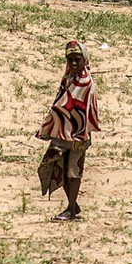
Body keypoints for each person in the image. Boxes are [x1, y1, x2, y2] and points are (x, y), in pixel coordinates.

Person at [37, 39, 102, 222]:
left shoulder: (86, 83)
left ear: (84, 60)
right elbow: (59, 105)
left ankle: (71, 211)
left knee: (73, 172)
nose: (73, 63)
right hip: (61, 133)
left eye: (77, 59)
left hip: (77, 136)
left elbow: (84, 111)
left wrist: (76, 134)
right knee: (60, 167)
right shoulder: (67, 79)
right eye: (70, 59)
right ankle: (73, 205)